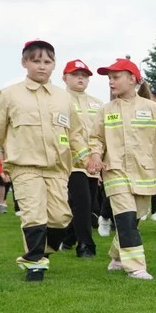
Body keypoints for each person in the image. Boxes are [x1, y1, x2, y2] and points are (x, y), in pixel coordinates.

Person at [0, 40, 90, 282]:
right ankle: (35, 263)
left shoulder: (64, 98)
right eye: (36, 61)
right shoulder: (10, 95)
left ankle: (42, 251)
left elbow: (76, 134)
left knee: (60, 218)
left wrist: (87, 159)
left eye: (47, 62)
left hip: (58, 169)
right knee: (34, 214)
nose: (42, 66)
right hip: (24, 166)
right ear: (24, 62)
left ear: (54, 65)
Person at [85, 58, 156, 280]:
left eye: (116, 77)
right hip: (115, 170)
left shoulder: (152, 108)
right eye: (109, 79)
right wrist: (95, 155)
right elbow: (96, 138)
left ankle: (116, 255)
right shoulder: (106, 110)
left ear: (132, 79)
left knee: (134, 219)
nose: (111, 82)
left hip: (146, 173)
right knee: (124, 216)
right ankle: (135, 266)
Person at [59, 59, 101, 257]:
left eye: (84, 75)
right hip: (70, 162)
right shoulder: (58, 100)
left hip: (92, 163)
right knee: (82, 202)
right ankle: (85, 245)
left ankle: (67, 238)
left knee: (88, 203)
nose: (81, 78)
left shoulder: (97, 103)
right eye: (76, 74)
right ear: (65, 77)